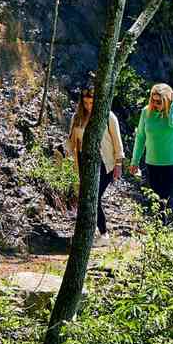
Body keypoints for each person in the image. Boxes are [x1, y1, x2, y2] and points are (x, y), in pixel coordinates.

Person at [65, 77, 124, 236]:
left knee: (94, 198)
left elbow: (117, 142)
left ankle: (104, 233)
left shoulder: (108, 116)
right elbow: (71, 142)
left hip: (106, 164)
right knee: (87, 198)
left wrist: (119, 164)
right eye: (85, 103)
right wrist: (62, 153)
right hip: (85, 163)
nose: (89, 106)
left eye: (91, 103)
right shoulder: (76, 118)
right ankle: (89, 234)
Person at [129, 82, 173, 203]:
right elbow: (141, 137)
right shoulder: (146, 112)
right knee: (156, 199)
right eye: (153, 100)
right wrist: (135, 161)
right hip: (153, 163)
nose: (155, 104)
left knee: (166, 199)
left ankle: (167, 221)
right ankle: (159, 222)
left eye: (159, 102)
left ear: (168, 100)